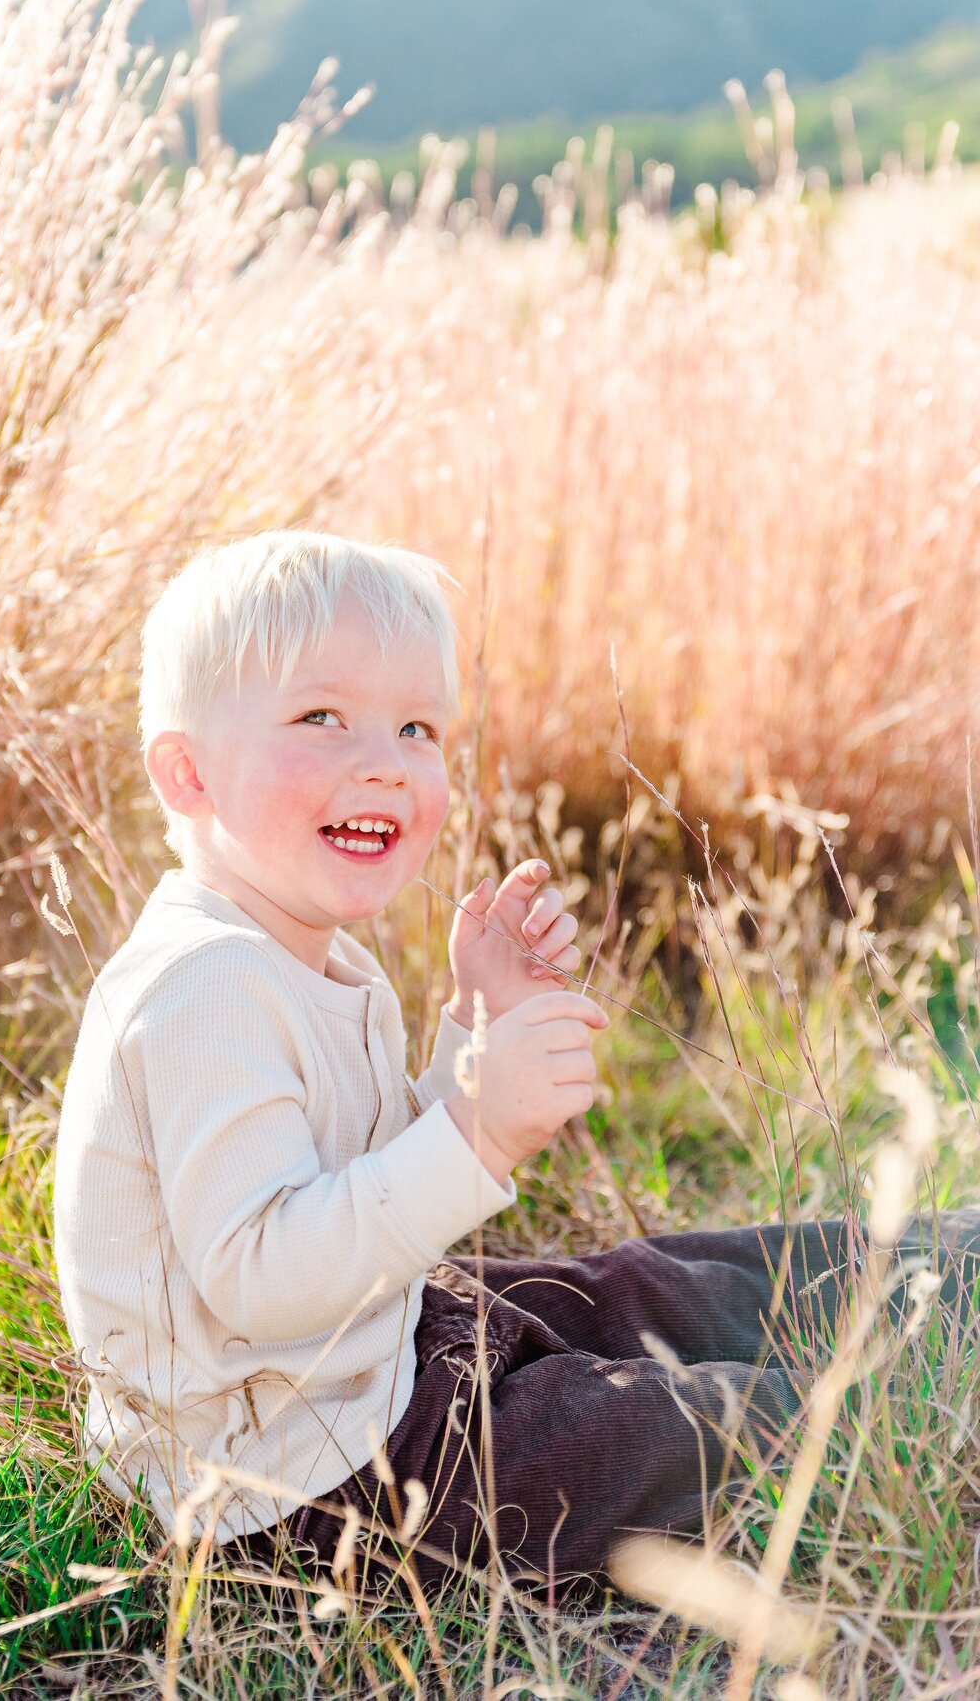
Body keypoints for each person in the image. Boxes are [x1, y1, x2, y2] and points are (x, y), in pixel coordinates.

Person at [52, 527, 980, 1602]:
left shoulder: (299, 951)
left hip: (365, 1356)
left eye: (417, 726)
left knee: (639, 1286)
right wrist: (478, 1131)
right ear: (189, 772)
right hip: (299, 1484)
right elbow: (261, 1280)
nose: (384, 760)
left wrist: (468, 1035)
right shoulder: (203, 989)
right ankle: (926, 1400)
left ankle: (938, 1269)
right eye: (322, 717)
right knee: (682, 1428)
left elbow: (355, 1179)